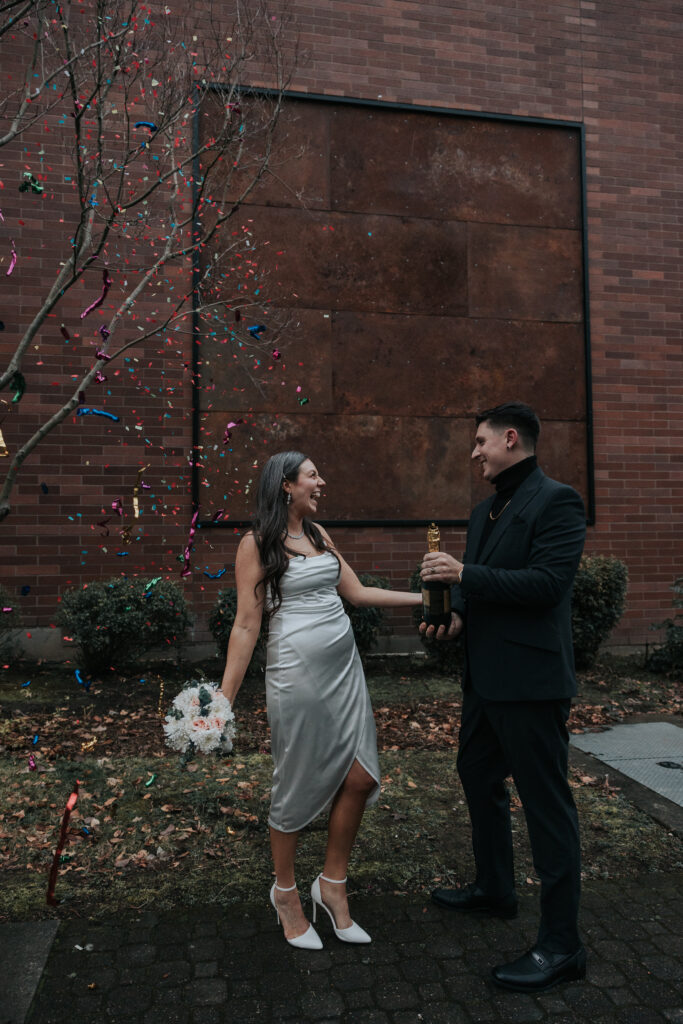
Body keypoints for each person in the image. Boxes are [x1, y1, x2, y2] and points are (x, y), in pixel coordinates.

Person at [220, 450, 421, 950]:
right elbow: (247, 624)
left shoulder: (318, 534)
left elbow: (357, 593)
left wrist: (429, 598)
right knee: (296, 779)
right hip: (297, 675)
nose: (321, 482)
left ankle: (331, 885)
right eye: (313, 475)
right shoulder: (257, 543)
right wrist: (222, 702)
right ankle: (285, 892)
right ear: (286, 485)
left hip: (344, 672)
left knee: (361, 775)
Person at [420, 402, 587, 992]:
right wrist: (456, 617)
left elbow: (546, 586)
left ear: (510, 439)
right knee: (476, 776)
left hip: (533, 687)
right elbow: (484, 590)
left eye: (481, 441)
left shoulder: (558, 501)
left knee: (548, 810)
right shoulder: (484, 510)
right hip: (485, 683)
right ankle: (496, 890)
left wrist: (463, 576)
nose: (474, 452)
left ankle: (562, 946)